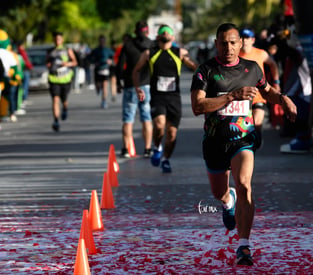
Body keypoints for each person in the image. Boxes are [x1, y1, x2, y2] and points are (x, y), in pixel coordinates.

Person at [190, 23, 297, 265]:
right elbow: (198, 107)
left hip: (242, 139)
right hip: (215, 141)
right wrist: (231, 96)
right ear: (217, 44)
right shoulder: (205, 71)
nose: (228, 47)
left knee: (245, 185)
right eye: (223, 43)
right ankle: (228, 201)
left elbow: (267, 91)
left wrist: (283, 99)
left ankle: (244, 245)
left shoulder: (252, 68)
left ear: (240, 43)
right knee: (219, 192)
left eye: (232, 42)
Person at [132, 24, 198, 173]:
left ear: (173, 37)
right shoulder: (149, 53)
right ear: (158, 36)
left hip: (174, 98)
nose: (166, 33)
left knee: (172, 133)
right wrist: (138, 88)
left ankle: (166, 159)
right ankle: (157, 147)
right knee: (160, 125)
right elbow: (136, 70)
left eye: (169, 32)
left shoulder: (180, 52)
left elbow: (196, 67)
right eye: (163, 32)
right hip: (158, 96)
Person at [116, 21, 153, 158]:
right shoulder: (152, 44)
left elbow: (119, 66)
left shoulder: (128, 45)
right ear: (147, 31)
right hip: (147, 85)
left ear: (135, 31)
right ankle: (148, 149)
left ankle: (126, 149)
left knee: (128, 118)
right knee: (147, 117)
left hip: (131, 85)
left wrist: (119, 83)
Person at [239, 27, 280, 147]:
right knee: (244, 127)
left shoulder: (261, 54)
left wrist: (276, 82)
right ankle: (247, 149)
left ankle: (256, 140)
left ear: (252, 40)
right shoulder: (235, 55)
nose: (244, 41)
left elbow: (273, 65)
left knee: (256, 123)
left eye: (247, 38)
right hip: (241, 97)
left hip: (258, 96)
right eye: (242, 38)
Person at [46, 31, 77, 132]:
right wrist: (49, 65)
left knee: (64, 100)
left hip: (65, 78)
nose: (57, 41)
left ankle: (65, 108)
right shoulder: (50, 51)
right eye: (55, 39)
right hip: (54, 78)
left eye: (59, 39)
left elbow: (75, 62)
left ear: (62, 40)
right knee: (55, 99)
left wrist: (66, 64)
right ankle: (56, 121)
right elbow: (47, 63)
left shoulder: (67, 49)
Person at [89, 35, 114, 109]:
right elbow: (90, 58)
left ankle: (104, 101)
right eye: (100, 41)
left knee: (105, 85)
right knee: (98, 85)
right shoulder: (95, 50)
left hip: (105, 69)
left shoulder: (108, 50)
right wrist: (94, 62)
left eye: (103, 41)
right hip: (98, 69)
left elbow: (114, 57)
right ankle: (98, 89)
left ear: (105, 41)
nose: (102, 42)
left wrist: (111, 61)